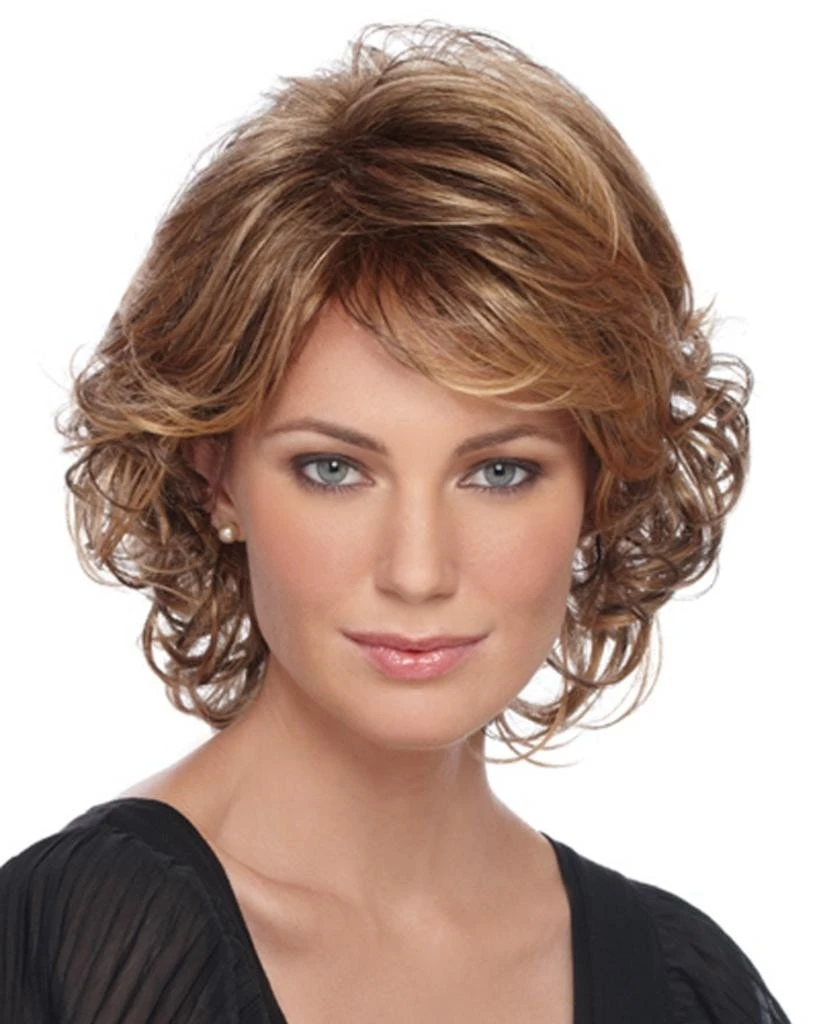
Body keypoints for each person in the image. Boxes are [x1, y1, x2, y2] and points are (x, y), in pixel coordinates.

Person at [0, 19, 791, 1024]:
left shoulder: (682, 981)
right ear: (216, 475)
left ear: (601, 484)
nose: (417, 570)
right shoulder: (73, 941)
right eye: (334, 469)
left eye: (499, 471)